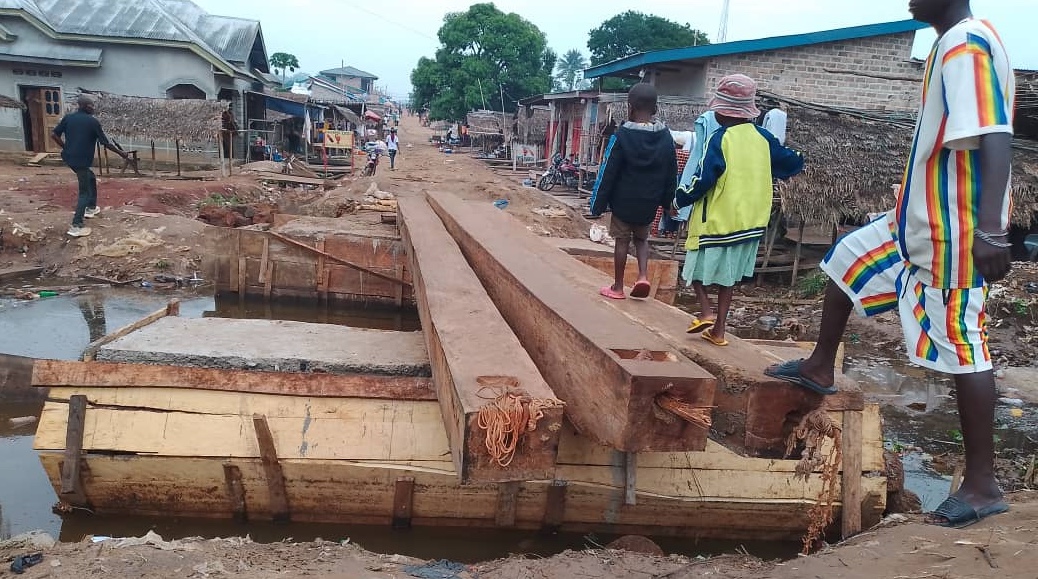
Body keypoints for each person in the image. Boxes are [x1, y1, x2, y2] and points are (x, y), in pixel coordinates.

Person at [765, 0, 1015, 528]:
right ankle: (820, 365)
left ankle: (982, 484)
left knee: (962, 343)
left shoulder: (966, 43)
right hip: (916, 218)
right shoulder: (951, 42)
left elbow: (994, 134)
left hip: (955, 228)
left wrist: (992, 229)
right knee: (847, 258)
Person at [673, 74, 804, 345]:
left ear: (721, 113)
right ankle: (719, 331)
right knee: (728, 279)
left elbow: (703, 179)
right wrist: (797, 157)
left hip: (716, 221)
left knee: (693, 270)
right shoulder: (764, 139)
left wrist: (678, 200)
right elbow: (792, 163)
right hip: (749, 223)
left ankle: (706, 311)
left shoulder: (720, 139)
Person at [590, 83, 677, 300]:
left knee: (622, 241)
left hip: (623, 202)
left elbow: (608, 172)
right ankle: (643, 276)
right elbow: (671, 172)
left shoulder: (622, 136)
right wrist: (668, 203)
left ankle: (618, 287)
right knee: (641, 239)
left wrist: (598, 205)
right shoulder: (666, 137)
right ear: (655, 109)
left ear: (630, 107)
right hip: (649, 203)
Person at [51, 93, 128, 238]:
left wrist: (66, 147)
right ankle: (76, 225)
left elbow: (54, 134)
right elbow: (105, 143)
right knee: (84, 192)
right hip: (81, 161)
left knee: (91, 178)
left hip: (69, 157)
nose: (93, 108)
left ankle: (91, 208)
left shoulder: (68, 118)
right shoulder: (92, 122)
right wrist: (121, 153)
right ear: (85, 106)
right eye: (92, 105)